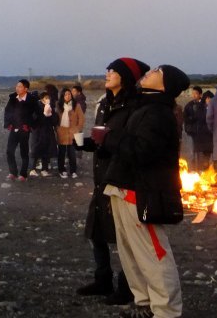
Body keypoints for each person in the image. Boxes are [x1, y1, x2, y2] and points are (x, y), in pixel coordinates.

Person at [103, 64, 190, 318]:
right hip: (122, 188)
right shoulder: (143, 106)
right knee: (131, 255)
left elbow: (143, 152)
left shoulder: (159, 113)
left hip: (141, 194)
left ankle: (166, 311)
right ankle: (144, 305)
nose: (148, 73)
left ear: (164, 85)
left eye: (155, 72)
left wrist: (110, 138)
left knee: (154, 256)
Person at [79, 58, 149, 306]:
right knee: (96, 231)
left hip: (121, 178)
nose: (107, 74)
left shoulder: (135, 106)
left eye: (113, 71)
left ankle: (127, 287)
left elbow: (131, 144)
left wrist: (108, 142)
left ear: (126, 77)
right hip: (101, 176)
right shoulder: (105, 104)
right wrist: (87, 143)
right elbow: (101, 136)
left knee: (124, 237)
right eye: (107, 69)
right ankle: (103, 279)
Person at [4, 79, 41, 181]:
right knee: (9, 151)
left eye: (20, 87)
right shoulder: (12, 98)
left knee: (24, 152)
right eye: (17, 86)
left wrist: (30, 125)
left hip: (24, 129)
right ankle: (13, 172)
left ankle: (23, 174)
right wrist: (8, 124)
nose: (17, 88)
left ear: (26, 89)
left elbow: (38, 115)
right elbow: (7, 112)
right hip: (14, 128)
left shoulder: (31, 100)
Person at [55, 87, 84, 178]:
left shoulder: (76, 105)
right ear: (62, 96)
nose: (67, 96)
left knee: (72, 153)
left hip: (72, 132)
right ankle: (61, 170)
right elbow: (55, 119)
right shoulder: (58, 105)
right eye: (65, 94)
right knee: (61, 153)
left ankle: (73, 171)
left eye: (69, 94)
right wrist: (57, 129)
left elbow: (81, 118)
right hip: (62, 132)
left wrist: (77, 128)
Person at [31, 86, 58, 176]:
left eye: (49, 98)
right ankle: (32, 169)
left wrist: (50, 115)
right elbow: (34, 119)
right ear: (42, 99)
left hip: (48, 132)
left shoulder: (50, 107)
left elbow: (55, 121)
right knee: (36, 150)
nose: (48, 100)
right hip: (38, 132)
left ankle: (44, 169)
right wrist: (43, 114)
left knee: (46, 150)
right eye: (46, 98)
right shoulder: (36, 107)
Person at [183, 86, 212, 171]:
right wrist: (189, 127)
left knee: (204, 153)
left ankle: (204, 171)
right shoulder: (189, 105)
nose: (194, 95)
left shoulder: (204, 105)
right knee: (193, 153)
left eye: (195, 93)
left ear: (200, 94)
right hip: (193, 133)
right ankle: (194, 170)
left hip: (204, 133)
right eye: (193, 93)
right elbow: (185, 118)